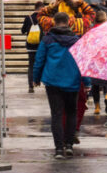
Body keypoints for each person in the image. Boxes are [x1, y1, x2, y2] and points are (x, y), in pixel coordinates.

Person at [33, 12, 87, 158]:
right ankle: (69, 145)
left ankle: (58, 149)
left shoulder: (47, 39)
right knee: (71, 113)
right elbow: (83, 62)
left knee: (56, 114)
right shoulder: (77, 40)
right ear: (69, 22)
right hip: (72, 81)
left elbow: (39, 60)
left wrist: (36, 78)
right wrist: (87, 82)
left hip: (52, 81)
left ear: (54, 22)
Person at [21, 4, 44, 94]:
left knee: (31, 66)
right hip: (42, 46)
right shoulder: (43, 19)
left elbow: (22, 31)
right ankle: (43, 83)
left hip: (30, 46)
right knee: (44, 64)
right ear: (41, 8)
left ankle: (31, 87)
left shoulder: (28, 18)